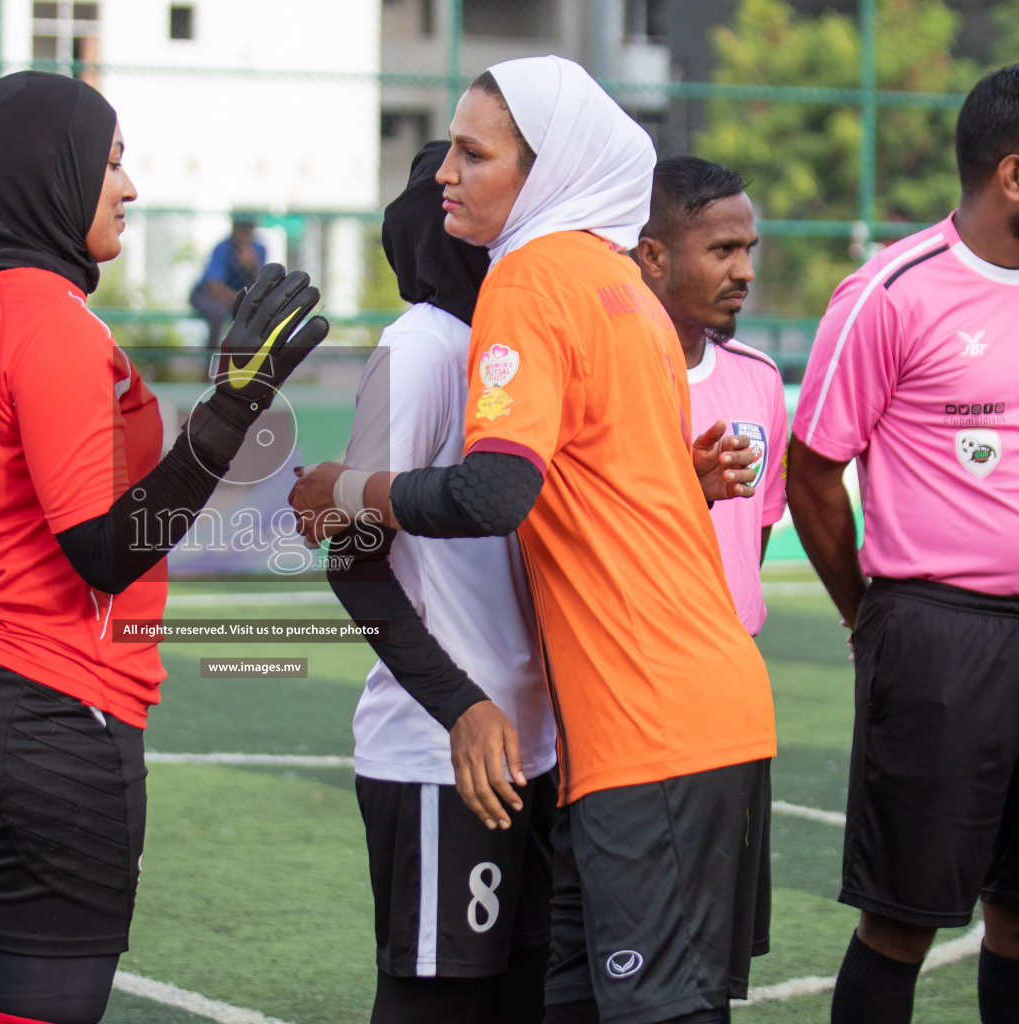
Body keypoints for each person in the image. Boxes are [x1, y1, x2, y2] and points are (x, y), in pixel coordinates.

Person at [290, 56, 775, 1024]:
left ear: (544, 172)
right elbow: (609, 487)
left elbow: (496, 489)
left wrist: (347, 488)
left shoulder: (530, 274)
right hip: (671, 713)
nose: (445, 174)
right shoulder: (623, 288)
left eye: (474, 153)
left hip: (646, 726)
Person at [0, 72, 328, 1024]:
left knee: (12, 985)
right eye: (110, 160)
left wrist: (221, 410)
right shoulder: (48, 318)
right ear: (42, 175)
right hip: (49, 695)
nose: (128, 187)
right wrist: (233, 411)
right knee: (49, 999)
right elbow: (105, 547)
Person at [788, 64, 1019, 1024]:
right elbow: (810, 472)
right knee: (904, 919)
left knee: (1018, 916)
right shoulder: (891, 291)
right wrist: (871, 615)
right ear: (1014, 174)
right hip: (938, 634)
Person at [323, 140, 558, 1024]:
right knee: (439, 1004)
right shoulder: (420, 344)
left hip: (537, 745)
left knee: (526, 996)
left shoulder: (516, 342)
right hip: (443, 753)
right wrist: (459, 704)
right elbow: (349, 554)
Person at [635, 156, 786, 636]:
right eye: (723, 250)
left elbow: (753, 534)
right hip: (633, 659)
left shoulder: (760, 376)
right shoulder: (602, 376)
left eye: (747, 250)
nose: (745, 272)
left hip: (734, 656)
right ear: (653, 256)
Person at [190, 214, 266, 346]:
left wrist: (252, 267)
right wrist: (241, 299)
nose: (244, 234)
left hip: (241, 297)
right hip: (211, 296)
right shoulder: (223, 248)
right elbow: (213, 287)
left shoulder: (259, 249)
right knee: (218, 311)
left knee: (260, 313)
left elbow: (261, 285)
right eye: (241, 229)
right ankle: (210, 359)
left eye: (248, 230)